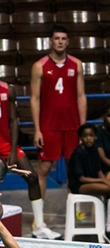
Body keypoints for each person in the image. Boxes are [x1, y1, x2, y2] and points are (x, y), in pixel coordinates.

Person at [0, 53, 60, 239]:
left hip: (6, 146)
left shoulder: (8, 90)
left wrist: (12, 149)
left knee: (32, 177)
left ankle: (39, 225)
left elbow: (13, 122)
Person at [30, 24, 87, 200]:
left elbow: (81, 96)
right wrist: (37, 129)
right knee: (44, 169)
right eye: (57, 38)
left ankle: (78, 211)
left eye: (63, 39)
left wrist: (83, 128)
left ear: (68, 42)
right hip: (49, 125)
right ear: (50, 41)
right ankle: (38, 219)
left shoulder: (77, 64)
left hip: (72, 125)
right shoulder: (39, 66)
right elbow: (35, 98)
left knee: (75, 168)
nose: (60, 42)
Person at [68, 123, 110, 238]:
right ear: (81, 138)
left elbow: (99, 172)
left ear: (95, 137)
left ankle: (107, 223)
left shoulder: (95, 150)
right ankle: (108, 227)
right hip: (79, 185)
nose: (88, 138)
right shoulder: (78, 153)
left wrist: (104, 180)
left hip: (92, 180)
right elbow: (81, 178)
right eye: (85, 136)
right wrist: (103, 182)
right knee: (108, 189)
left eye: (91, 135)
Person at [97, 103, 110, 177]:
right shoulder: (99, 131)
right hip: (104, 169)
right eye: (109, 116)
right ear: (103, 117)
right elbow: (103, 158)